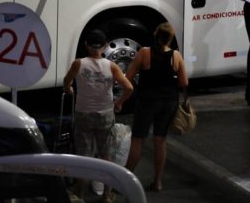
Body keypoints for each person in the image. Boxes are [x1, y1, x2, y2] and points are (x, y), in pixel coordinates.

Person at [63, 29, 134, 203]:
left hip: (83, 114)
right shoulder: (112, 66)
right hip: (105, 114)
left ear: (86, 45)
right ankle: (107, 194)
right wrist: (119, 102)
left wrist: (69, 89)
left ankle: (79, 194)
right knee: (106, 154)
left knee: (83, 155)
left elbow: (67, 81)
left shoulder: (78, 64)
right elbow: (129, 88)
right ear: (104, 46)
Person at [124, 22, 188, 193]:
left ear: (155, 34)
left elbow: (128, 77)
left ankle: (125, 180)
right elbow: (184, 82)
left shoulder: (144, 53)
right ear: (171, 38)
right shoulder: (176, 55)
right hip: (169, 102)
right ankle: (158, 182)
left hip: (147, 101)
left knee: (138, 140)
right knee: (160, 140)